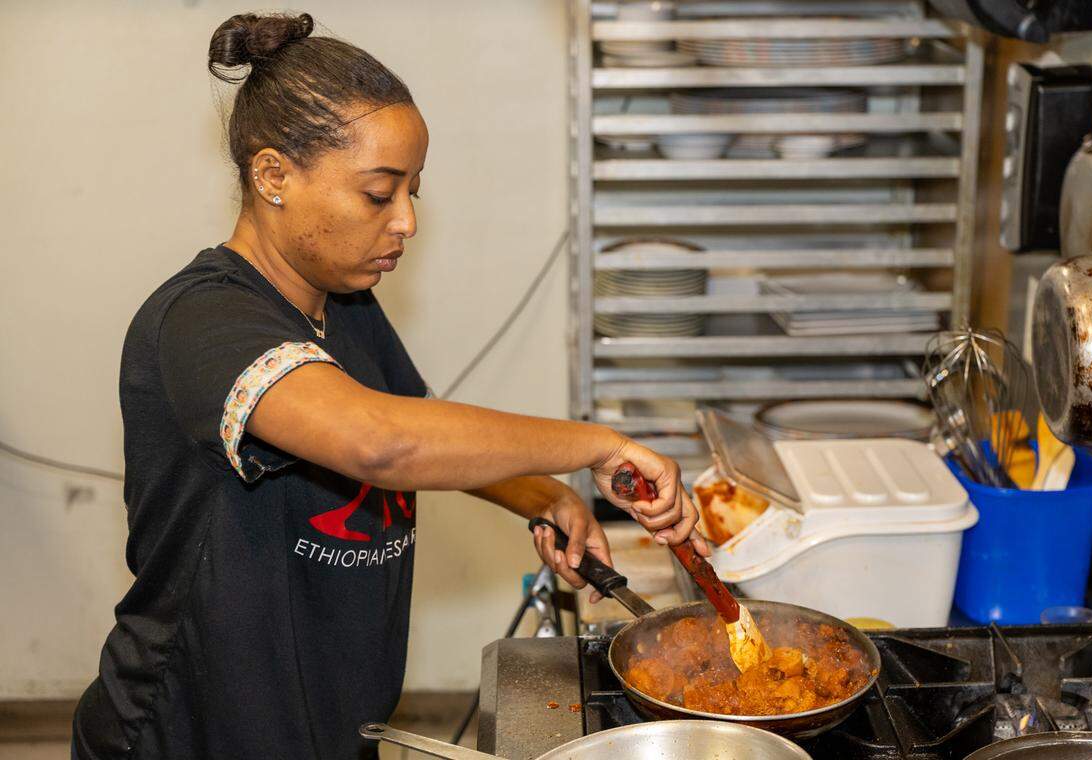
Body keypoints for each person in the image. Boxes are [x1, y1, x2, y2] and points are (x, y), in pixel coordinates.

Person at [71, 12, 707, 760]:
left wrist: (547, 496)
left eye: (413, 191)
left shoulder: (343, 303)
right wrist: (598, 446)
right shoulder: (202, 322)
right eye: (379, 194)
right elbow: (381, 442)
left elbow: (421, 424)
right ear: (273, 175)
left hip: (329, 721)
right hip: (197, 732)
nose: (406, 221)